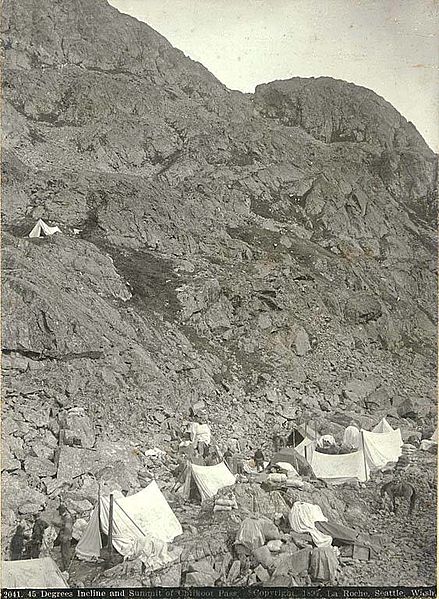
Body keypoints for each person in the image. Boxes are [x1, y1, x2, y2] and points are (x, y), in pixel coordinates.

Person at [58, 505, 73, 571]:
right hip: (63, 537)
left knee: (65, 553)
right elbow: (63, 526)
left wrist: (65, 538)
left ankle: (66, 568)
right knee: (63, 552)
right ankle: (64, 566)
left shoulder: (67, 517)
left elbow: (68, 529)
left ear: (61, 510)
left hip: (66, 538)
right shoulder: (64, 517)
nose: (58, 511)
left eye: (59, 510)